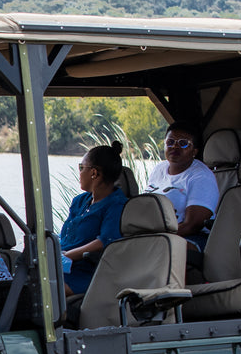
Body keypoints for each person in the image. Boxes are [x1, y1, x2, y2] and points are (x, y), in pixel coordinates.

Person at [58, 142, 128, 296]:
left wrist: (65, 257)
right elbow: (65, 235)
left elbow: (104, 241)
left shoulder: (116, 205)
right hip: (61, 266)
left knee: (43, 289)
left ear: (94, 173)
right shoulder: (80, 201)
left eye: (81, 167)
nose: (80, 172)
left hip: (87, 272)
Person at [144, 121, 219, 256]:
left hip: (192, 238)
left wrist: (154, 237)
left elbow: (193, 225)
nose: (175, 147)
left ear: (194, 151)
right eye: (170, 142)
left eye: (183, 143)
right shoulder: (159, 170)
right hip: (154, 234)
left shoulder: (201, 176)